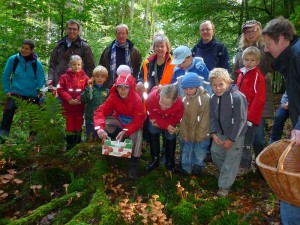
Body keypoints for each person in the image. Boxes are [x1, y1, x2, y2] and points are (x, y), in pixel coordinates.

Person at [262, 16, 300, 225]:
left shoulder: (298, 53)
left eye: (268, 44)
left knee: (291, 184)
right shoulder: (291, 57)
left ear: (283, 39)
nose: (266, 50)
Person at [231, 20, 274, 164]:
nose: (250, 34)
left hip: (259, 99)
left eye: (253, 30)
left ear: (259, 31)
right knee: (245, 134)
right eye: (247, 31)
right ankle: (245, 163)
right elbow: (235, 73)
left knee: (259, 135)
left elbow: (275, 65)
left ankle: (262, 164)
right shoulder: (240, 53)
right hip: (243, 101)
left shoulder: (266, 49)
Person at [94, 74, 146, 179]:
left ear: (131, 87)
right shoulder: (114, 97)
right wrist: (99, 128)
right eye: (120, 87)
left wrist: (125, 131)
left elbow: (138, 120)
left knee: (138, 136)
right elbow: (100, 112)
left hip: (132, 124)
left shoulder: (136, 100)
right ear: (116, 87)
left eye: (126, 87)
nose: (122, 90)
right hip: (119, 121)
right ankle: (114, 141)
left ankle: (134, 163)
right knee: (106, 123)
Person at [209, 68, 248, 197]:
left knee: (231, 158)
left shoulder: (237, 97)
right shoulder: (213, 98)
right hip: (220, 132)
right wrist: (213, 133)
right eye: (214, 85)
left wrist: (231, 140)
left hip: (236, 134)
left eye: (220, 84)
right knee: (215, 152)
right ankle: (227, 173)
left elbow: (240, 120)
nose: (217, 88)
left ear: (227, 82)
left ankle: (224, 186)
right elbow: (212, 117)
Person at [0, 39, 45, 142]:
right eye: (22, 48)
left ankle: (32, 138)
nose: (23, 50)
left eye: (27, 49)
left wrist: (42, 98)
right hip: (16, 92)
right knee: (8, 109)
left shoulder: (36, 64)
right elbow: (5, 76)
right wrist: (7, 90)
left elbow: (41, 82)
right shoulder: (13, 60)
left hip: (31, 94)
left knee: (34, 114)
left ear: (32, 50)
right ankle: (3, 136)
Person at [235, 46, 266, 174]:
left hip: (250, 117)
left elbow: (259, 99)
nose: (248, 62)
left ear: (257, 61)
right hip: (239, 114)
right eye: (246, 59)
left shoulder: (257, 76)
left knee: (247, 141)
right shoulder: (241, 73)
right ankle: (240, 161)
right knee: (239, 139)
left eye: (252, 60)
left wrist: (250, 118)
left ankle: (245, 164)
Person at [144, 84, 184, 172]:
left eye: (168, 105)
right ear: (159, 95)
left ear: (174, 101)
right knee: (153, 129)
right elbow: (152, 117)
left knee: (170, 135)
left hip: (169, 122)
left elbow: (176, 118)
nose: (163, 107)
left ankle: (169, 162)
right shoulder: (151, 98)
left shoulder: (179, 104)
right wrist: (165, 125)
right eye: (162, 102)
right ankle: (155, 159)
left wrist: (167, 125)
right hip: (156, 122)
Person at [48, 19, 95, 87]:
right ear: (66, 30)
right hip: (59, 83)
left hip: (77, 85)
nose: (72, 31)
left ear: (78, 31)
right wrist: (50, 78)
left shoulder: (84, 47)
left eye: (74, 29)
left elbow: (91, 67)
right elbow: (52, 64)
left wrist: (83, 80)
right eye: (69, 28)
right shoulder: (59, 45)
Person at [179, 72, 210, 175]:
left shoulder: (204, 98)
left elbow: (204, 119)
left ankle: (198, 168)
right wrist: (184, 134)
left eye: (191, 88)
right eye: (185, 88)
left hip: (201, 133)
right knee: (186, 151)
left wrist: (200, 135)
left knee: (199, 152)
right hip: (188, 133)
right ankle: (186, 169)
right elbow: (182, 119)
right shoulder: (183, 99)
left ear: (197, 87)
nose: (188, 91)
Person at [57, 55, 90, 150]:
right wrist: (69, 99)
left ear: (82, 65)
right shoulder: (63, 77)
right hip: (68, 107)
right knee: (69, 125)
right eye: (74, 64)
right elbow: (60, 89)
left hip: (80, 107)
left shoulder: (86, 78)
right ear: (70, 65)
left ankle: (77, 146)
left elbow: (88, 90)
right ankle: (69, 146)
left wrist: (80, 98)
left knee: (78, 124)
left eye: (79, 64)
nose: (77, 66)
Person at [136, 32, 175, 99]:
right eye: (157, 46)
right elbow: (141, 76)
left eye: (162, 46)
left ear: (167, 48)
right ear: (154, 48)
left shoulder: (173, 63)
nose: (159, 48)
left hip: (166, 100)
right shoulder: (147, 63)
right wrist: (140, 82)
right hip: (149, 99)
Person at [80, 66, 109, 141]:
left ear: (105, 79)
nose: (99, 78)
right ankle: (89, 150)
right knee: (90, 137)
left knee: (100, 137)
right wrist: (89, 89)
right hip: (90, 117)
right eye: (97, 76)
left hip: (102, 119)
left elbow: (109, 104)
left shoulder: (106, 91)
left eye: (102, 77)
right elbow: (85, 98)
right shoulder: (90, 89)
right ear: (93, 77)